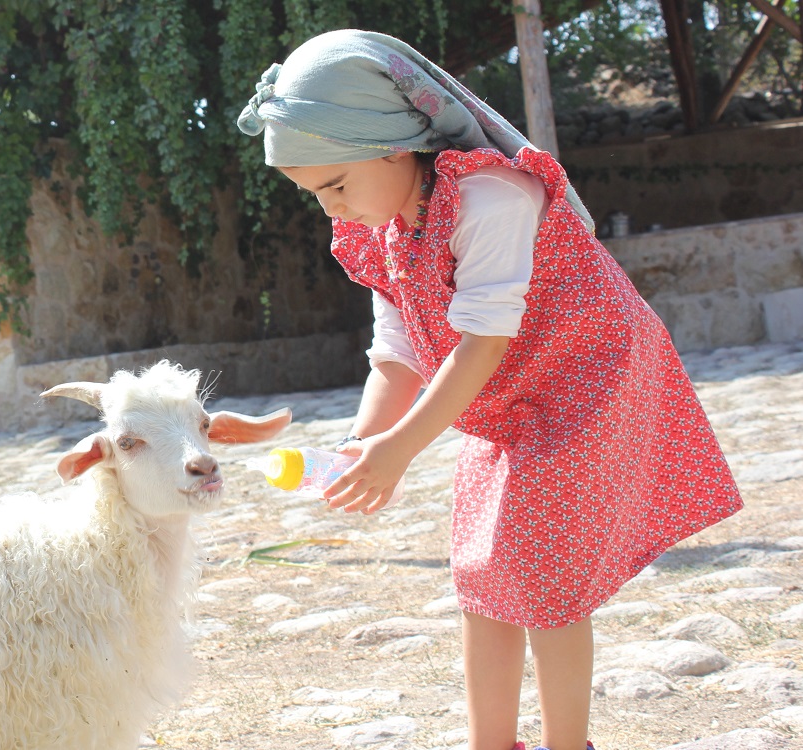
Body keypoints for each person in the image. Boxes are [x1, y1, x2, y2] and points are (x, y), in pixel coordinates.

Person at [236, 30, 742, 750]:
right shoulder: (382, 231)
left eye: (337, 185)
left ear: (391, 144)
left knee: (547, 580)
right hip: (508, 401)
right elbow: (399, 352)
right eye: (314, 196)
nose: (330, 210)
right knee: (481, 572)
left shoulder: (491, 197)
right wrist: (363, 442)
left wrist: (401, 448)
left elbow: (482, 340)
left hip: (586, 380)